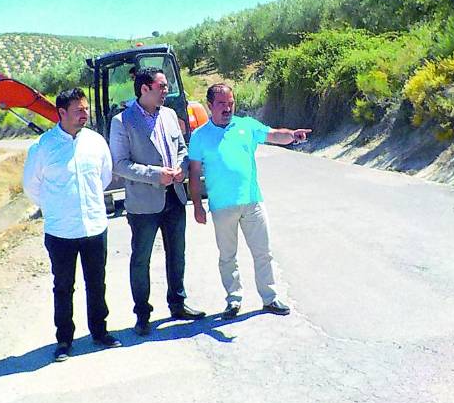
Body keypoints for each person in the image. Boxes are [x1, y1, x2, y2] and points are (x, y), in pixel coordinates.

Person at [187, 83, 311, 319]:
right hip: (222, 207)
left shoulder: (246, 126)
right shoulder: (199, 136)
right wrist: (197, 205)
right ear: (210, 106)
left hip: (252, 202)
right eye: (222, 104)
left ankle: (270, 298)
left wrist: (293, 136)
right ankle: (233, 300)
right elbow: (194, 173)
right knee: (227, 256)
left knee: (263, 252)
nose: (227, 108)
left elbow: (274, 134)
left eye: (231, 103)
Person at [23, 88, 121, 362]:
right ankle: (64, 340)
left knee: (96, 283)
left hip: (93, 227)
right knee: (63, 287)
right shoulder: (43, 147)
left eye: (85, 109)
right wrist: (58, 207)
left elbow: (104, 177)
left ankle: (100, 332)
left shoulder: (96, 142)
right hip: (60, 232)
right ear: (61, 113)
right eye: (78, 110)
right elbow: (31, 187)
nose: (84, 114)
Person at [109, 67, 205, 336]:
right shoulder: (122, 121)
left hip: (174, 196)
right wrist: (155, 175)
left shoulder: (170, 115)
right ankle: (142, 315)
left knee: (178, 254)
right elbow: (120, 164)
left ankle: (178, 303)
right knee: (141, 259)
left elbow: (182, 149)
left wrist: (182, 168)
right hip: (143, 203)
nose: (166, 90)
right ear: (144, 89)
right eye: (162, 86)